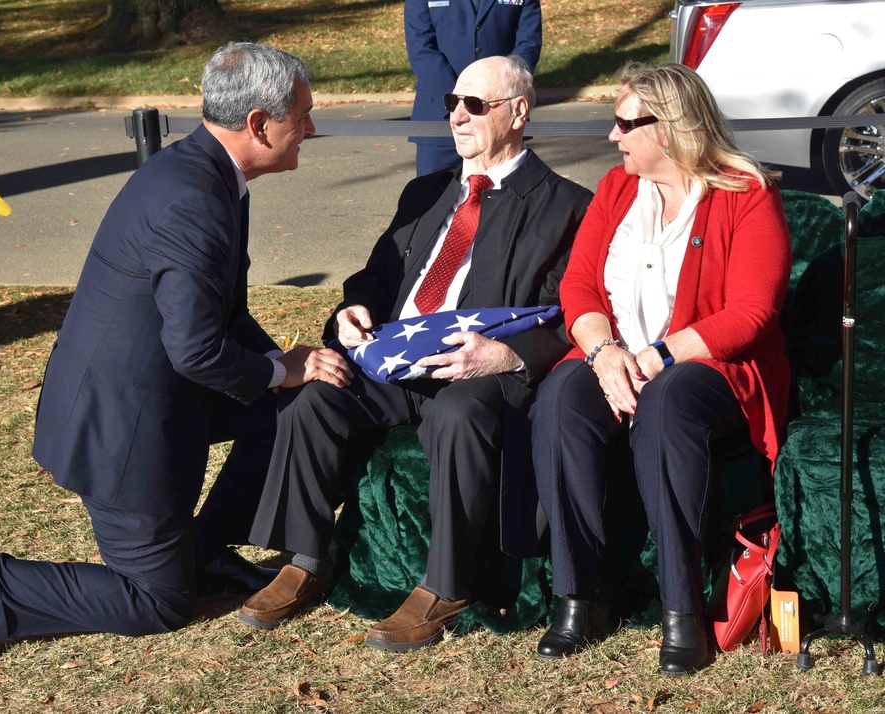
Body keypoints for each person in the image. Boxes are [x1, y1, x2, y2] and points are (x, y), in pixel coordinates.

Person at [0, 42, 353, 665]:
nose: (310, 126)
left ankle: (206, 544)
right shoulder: (193, 199)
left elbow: (218, 316)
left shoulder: (209, 172)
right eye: (301, 114)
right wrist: (281, 367)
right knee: (161, 601)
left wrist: (286, 370)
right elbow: (196, 348)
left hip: (163, 395)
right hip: (124, 429)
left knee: (293, 404)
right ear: (257, 123)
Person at [239, 55, 592, 652]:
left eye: (474, 105)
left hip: (476, 365)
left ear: (518, 112)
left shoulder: (566, 205)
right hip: (397, 356)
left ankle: (446, 584)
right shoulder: (426, 191)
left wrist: (505, 358)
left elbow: (570, 313)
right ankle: (306, 557)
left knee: (459, 414)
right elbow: (376, 276)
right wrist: (351, 309)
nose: (456, 114)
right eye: (452, 102)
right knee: (316, 392)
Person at [530, 62, 791, 676]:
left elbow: (751, 315)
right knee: (561, 398)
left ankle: (682, 609)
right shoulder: (615, 190)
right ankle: (578, 596)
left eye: (624, 124)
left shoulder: (745, 192)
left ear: (669, 129)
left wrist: (660, 354)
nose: (613, 137)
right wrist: (602, 353)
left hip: (711, 366)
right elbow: (579, 285)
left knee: (669, 402)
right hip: (620, 355)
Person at [405, 0, 541, 176]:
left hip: (498, 116)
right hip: (440, 113)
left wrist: (496, 91)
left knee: (504, 197)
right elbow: (420, 46)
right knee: (433, 197)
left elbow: (529, 44)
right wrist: (456, 101)